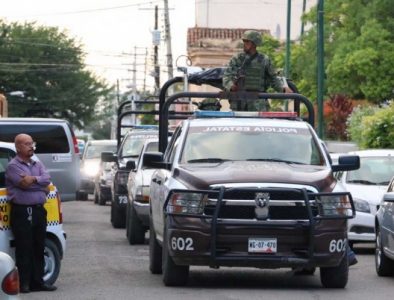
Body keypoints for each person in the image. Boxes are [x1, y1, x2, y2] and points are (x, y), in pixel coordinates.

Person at [5, 134, 57, 293]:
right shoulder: (13, 166)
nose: (31, 146)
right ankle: (25, 283)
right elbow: (23, 184)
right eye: (27, 144)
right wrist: (39, 183)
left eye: (32, 143)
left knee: (38, 246)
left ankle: (38, 281)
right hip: (22, 211)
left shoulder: (37, 163)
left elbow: (47, 179)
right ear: (18, 147)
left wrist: (33, 179)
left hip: (39, 210)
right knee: (24, 247)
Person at [223, 30, 293, 111]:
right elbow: (227, 76)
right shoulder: (237, 59)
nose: (244, 44)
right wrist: (231, 86)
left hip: (258, 104)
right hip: (239, 104)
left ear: (254, 43)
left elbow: (273, 79)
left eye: (247, 42)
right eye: (244, 41)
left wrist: (283, 88)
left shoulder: (264, 60)